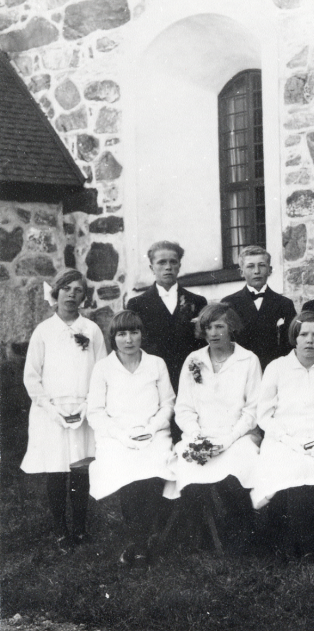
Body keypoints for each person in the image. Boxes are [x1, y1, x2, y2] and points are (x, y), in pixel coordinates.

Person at [21, 269, 108, 547]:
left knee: (81, 471)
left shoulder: (91, 330)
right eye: (66, 288)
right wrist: (50, 408)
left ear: (84, 296)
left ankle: (80, 527)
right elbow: (31, 376)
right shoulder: (44, 331)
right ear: (55, 294)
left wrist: (88, 404)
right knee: (57, 471)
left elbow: (102, 371)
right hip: (52, 414)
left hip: (82, 411)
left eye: (78, 290)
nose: (72, 294)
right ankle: (61, 530)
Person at [164, 304, 261, 551]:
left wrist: (228, 440)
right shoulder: (193, 361)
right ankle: (199, 537)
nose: (214, 333)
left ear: (232, 328)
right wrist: (196, 436)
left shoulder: (248, 360)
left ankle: (242, 536)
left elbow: (252, 410)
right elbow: (184, 407)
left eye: (220, 326)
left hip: (236, 436)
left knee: (241, 466)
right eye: (208, 327)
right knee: (188, 464)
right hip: (201, 435)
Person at [87, 310, 174, 566]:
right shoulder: (103, 368)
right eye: (122, 334)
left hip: (154, 432)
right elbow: (95, 412)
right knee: (125, 467)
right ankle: (140, 543)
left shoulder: (156, 363)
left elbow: (168, 403)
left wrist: (153, 427)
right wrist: (122, 436)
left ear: (141, 335)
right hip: (116, 436)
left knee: (154, 464)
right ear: (113, 337)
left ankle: (139, 542)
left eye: (134, 332)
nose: (128, 339)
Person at [251, 311, 314, 558]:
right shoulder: (277, 367)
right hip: (283, 438)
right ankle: (291, 542)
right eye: (304, 335)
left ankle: (312, 540)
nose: (309, 340)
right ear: (294, 337)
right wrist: (288, 440)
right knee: (289, 465)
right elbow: (264, 415)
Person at [126, 241, 207, 394]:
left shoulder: (197, 301)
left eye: (173, 262)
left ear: (179, 266)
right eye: (161, 262)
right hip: (153, 378)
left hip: (189, 376)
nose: (168, 267)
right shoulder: (136, 304)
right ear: (152, 268)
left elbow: (202, 342)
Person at [222, 246, 297, 371]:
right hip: (240, 370)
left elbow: (291, 343)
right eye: (250, 266)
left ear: (270, 270)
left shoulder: (285, 304)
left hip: (274, 370)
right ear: (241, 272)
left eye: (262, 265)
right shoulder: (229, 303)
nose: (256, 271)